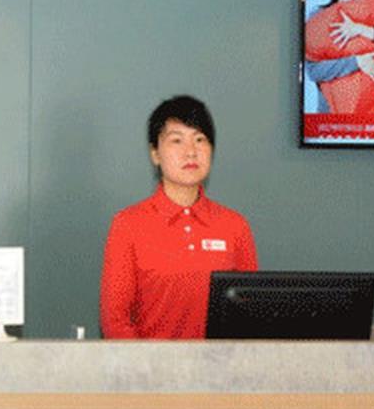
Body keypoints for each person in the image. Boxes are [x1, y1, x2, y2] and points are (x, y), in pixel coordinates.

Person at [99, 95, 257, 340]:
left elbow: (249, 314)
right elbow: (115, 320)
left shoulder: (235, 226)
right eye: (176, 140)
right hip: (149, 363)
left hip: (221, 364)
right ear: (155, 153)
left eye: (200, 139)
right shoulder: (128, 225)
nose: (191, 152)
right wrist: (149, 363)